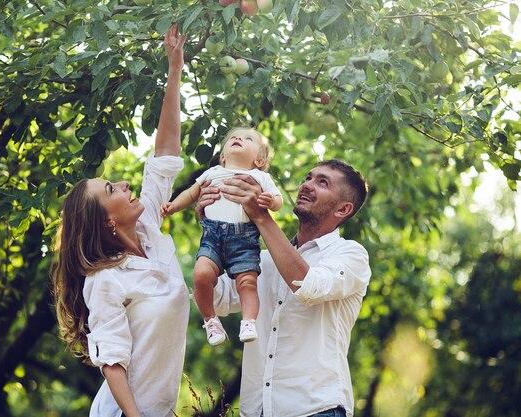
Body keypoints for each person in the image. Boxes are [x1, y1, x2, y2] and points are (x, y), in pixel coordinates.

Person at [51, 25, 188, 417]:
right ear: (106, 222)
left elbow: (164, 154)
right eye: (112, 189)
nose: (126, 184)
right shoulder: (105, 280)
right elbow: (112, 360)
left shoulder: (150, 235)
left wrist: (174, 70)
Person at [197, 159, 370, 417]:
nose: (307, 185)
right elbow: (217, 297)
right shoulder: (263, 260)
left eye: (322, 182)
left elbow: (308, 287)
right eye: (308, 178)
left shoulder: (351, 255)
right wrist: (212, 228)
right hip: (257, 411)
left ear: (343, 209)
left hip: (316, 410)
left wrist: (260, 216)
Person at [161, 128, 283, 346]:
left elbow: (278, 199)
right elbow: (191, 193)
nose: (238, 139)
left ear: (259, 160)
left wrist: (271, 202)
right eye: (233, 138)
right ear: (223, 156)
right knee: (200, 275)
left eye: (248, 139)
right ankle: (210, 320)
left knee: (247, 283)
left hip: (244, 240)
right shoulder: (212, 173)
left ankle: (248, 322)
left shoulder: (260, 177)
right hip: (213, 237)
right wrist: (173, 206)